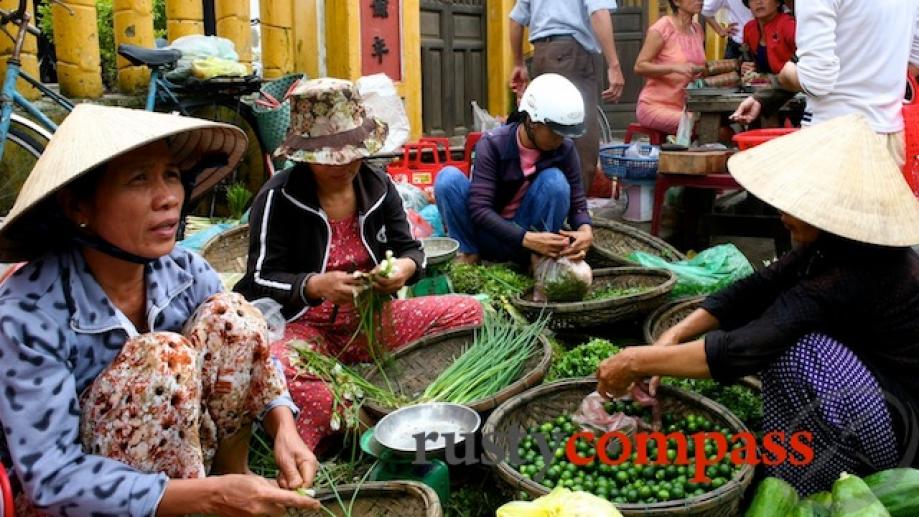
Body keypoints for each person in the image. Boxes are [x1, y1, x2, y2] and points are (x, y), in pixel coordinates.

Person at [0, 104, 321, 516]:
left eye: (171, 175)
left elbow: (252, 355)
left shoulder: (185, 272)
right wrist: (211, 496)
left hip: (185, 469)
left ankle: (234, 478)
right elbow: (52, 478)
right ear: (78, 206)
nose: (168, 197)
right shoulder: (27, 314)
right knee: (162, 359)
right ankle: (217, 498)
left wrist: (284, 427)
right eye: (139, 179)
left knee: (233, 316)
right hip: (77, 502)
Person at [595, 114, 919, 495]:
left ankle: (815, 479)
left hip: (899, 430)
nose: (783, 217)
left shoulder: (857, 270)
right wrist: (673, 336)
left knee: (799, 352)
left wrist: (637, 360)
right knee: (778, 327)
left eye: (794, 206)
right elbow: (755, 288)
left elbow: (742, 350)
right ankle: (798, 460)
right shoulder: (832, 246)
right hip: (871, 388)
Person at [234, 78, 483, 451]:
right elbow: (257, 279)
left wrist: (403, 270)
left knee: (471, 312)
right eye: (331, 157)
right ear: (305, 154)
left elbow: (412, 250)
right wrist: (314, 286)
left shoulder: (379, 188)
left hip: (371, 322)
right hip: (304, 329)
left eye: (353, 152)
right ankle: (366, 419)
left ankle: (365, 407)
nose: (346, 164)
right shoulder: (278, 197)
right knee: (278, 367)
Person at [434, 73, 593, 267]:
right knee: (447, 179)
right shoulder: (493, 144)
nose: (560, 139)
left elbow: (578, 205)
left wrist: (585, 231)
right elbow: (479, 209)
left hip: (534, 243)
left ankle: (539, 263)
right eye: (555, 132)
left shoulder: (564, 149)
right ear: (532, 123)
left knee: (556, 181)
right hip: (488, 235)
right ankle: (469, 255)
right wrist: (524, 238)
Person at [731, 0, 919, 163]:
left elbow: (816, 79)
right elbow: (913, 60)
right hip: (890, 136)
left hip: (833, 138)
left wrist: (786, 75)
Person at [509, 0, 625, 193]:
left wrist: (518, 63)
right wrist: (614, 65)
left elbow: (515, 19)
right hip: (571, 54)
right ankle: (574, 211)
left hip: (541, 55)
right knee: (581, 134)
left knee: (542, 131)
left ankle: (546, 204)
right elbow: (598, 12)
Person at [634, 0, 706, 135]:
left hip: (686, 107)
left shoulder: (698, 29)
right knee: (702, 125)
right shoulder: (662, 28)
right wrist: (674, 68)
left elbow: (699, 69)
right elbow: (639, 66)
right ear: (677, 2)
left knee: (722, 123)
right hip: (655, 106)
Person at [740, 0, 795, 76]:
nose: (758, 2)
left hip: (790, 83)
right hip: (760, 84)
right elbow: (747, 59)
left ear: (778, 2)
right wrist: (745, 67)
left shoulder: (788, 25)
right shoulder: (749, 28)